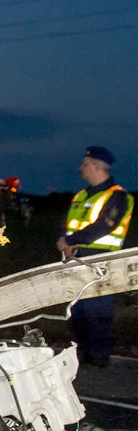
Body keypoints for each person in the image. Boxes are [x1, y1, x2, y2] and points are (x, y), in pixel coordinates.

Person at [57, 146, 133, 367]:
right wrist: (62, 241)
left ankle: (99, 357)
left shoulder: (118, 196)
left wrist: (71, 241)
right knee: (77, 310)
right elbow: (65, 223)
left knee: (98, 310)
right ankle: (82, 354)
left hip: (101, 260)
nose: (81, 168)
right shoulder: (81, 195)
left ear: (98, 167)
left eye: (86, 164)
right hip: (74, 259)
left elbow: (105, 225)